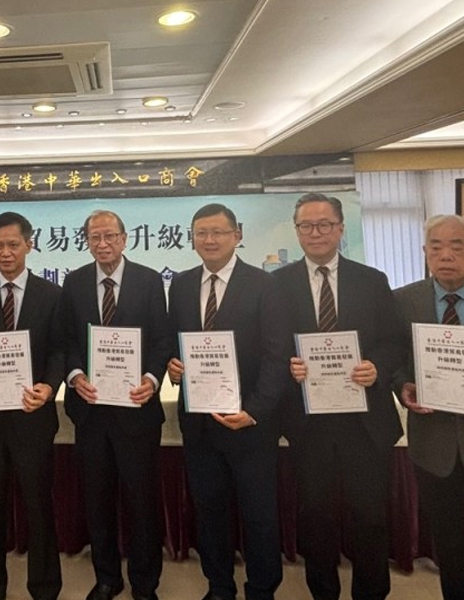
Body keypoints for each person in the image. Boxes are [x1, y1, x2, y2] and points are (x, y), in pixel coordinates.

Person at [274, 192, 403, 600]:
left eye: (324, 224)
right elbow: (269, 347)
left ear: (341, 229)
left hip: (364, 422)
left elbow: (394, 341)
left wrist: (376, 367)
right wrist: (289, 366)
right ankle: (323, 592)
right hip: (309, 422)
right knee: (315, 516)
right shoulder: (277, 284)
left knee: (370, 516)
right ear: (297, 231)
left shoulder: (372, 280)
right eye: (306, 226)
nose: (315, 233)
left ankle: (371, 593)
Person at [167, 203, 290, 600]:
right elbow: (175, 343)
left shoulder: (265, 284)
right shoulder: (181, 285)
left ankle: (261, 589)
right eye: (201, 233)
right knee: (209, 512)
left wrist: (254, 411)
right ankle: (219, 586)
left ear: (237, 235)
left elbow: (276, 355)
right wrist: (173, 366)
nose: (210, 240)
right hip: (200, 423)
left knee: (259, 515)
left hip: (250, 423)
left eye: (218, 232)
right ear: (191, 239)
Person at [61, 209, 169, 600]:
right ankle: (107, 577)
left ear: (125, 239)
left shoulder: (149, 280)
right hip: (91, 412)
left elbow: (161, 339)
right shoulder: (73, 282)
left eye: (110, 236)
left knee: (142, 502)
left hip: (136, 411)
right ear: (86, 241)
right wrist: (75, 376)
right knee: (98, 501)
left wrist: (152, 380)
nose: (103, 244)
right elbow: (66, 340)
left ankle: (145, 582)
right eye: (95, 237)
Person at [0, 212, 65, 600]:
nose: (5, 253)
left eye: (13, 245)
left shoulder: (51, 294)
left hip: (32, 417)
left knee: (39, 509)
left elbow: (59, 350)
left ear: (29, 245)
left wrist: (49, 387)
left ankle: (45, 587)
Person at [393, 214, 464, 600]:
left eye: (457, 246)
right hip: (434, 447)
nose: (446, 255)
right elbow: (393, 358)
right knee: (450, 543)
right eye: (436, 246)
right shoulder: (403, 300)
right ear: (425, 252)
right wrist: (403, 386)